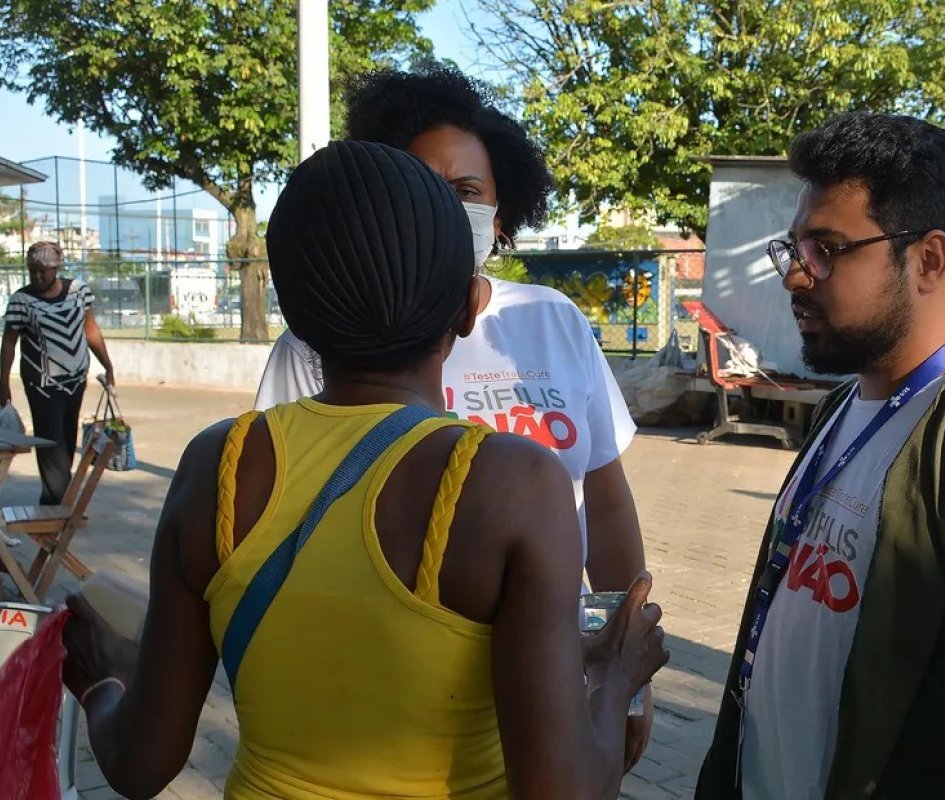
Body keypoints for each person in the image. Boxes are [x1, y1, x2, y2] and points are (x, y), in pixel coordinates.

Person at [61, 141, 668, 800]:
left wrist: (105, 681)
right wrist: (615, 673)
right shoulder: (511, 483)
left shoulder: (219, 465)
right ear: (467, 307)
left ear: (293, 315)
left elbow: (139, 764)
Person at [695, 113, 945, 799]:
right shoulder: (842, 409)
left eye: (826, 249)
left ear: (929, 259)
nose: (796, 277)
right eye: (793, 249)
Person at [254, 64, 653, 766]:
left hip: (551, 675)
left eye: (466, 192)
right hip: (384, 696)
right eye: (420, 188)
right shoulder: (322, 345)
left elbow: (608, 502)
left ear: (500, 217)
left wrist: (622, 676)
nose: (443, 211)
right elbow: (275, 517)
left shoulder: (552, 321)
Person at [1, 241, 115, 504]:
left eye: (43, 270)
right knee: (51, 444)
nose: (38, 276)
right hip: (41, 385)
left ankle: (58, 501)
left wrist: (107, 365)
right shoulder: (21, 300)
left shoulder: (78, 291)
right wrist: (3, 383)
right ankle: (56, 504)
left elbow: (91, 331)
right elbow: (9, 343)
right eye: (32, 271)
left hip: (76, 381)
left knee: (66, 438)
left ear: (56, 267)